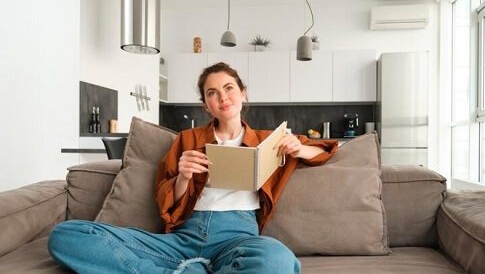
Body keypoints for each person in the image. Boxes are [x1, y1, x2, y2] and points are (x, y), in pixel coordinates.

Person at [47, 62, 338, 273]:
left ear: (243, 93)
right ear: (206, 105)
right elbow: (167, 200)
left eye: (229, 88)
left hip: (238, 237)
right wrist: (183, 177)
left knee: (278, 261)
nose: (222, 97)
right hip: (182, 238)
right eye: (212, 93)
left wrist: (300, 148)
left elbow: (325, 150)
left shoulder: (268, 140)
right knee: (66, 236)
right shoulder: (187, 139)